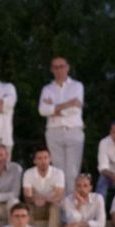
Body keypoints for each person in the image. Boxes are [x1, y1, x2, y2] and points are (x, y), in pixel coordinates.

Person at [38, 56, 85, 190]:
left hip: (73, 130)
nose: (59, 70)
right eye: (55, 67)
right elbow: (42, 110)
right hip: (54, 131)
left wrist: (53, 108)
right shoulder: (47, 89)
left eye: (62, 66)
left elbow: (75, 110)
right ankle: (61, 204)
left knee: (72, 171)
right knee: (58, 171)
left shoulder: (77, 86)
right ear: (52, 69)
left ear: (67, 67)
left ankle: (71, 205)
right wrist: (67, 104)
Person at [22, 146, 65, 227]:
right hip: (36, 206)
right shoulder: (28, 173)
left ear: (50, 159)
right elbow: (27, 197)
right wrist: (35, 199)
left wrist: (43, 199)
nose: (43, 161)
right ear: (35, 161)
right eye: (40, 158)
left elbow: (59, 196)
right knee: (27, 208)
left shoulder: (58, 173)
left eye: (46, 158)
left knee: (56, 208)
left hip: (50, 204)